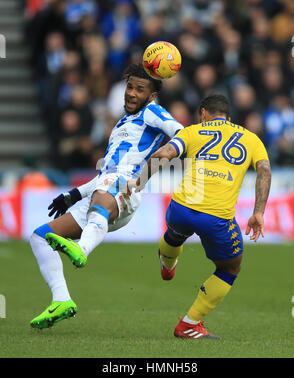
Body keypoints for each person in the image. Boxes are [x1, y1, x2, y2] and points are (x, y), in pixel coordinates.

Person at [29, 63, 184, 329]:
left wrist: (167, 154)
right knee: (40, 237)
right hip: (104, 190)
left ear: (152, 95)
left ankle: (82, 249)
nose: (132, 93)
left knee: (108, 186)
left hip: (126, 188)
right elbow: (105, 174)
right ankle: (62, 300)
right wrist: (73, 194)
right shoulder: (121, 124)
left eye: (140, 89)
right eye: (129, 87)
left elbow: (182, 133)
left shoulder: (153, 112)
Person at [127, 94, 272, 339]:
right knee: (230, 268)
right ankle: (189, 324)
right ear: (228, 116)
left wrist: (138, 183)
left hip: (180, 208)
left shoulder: (193, 131)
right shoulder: (251, 138)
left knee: (175, 233)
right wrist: (258, 212)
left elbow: (164, 155)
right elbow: (264, 172)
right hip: (216, 218)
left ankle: (168, 262)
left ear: (203, 113)